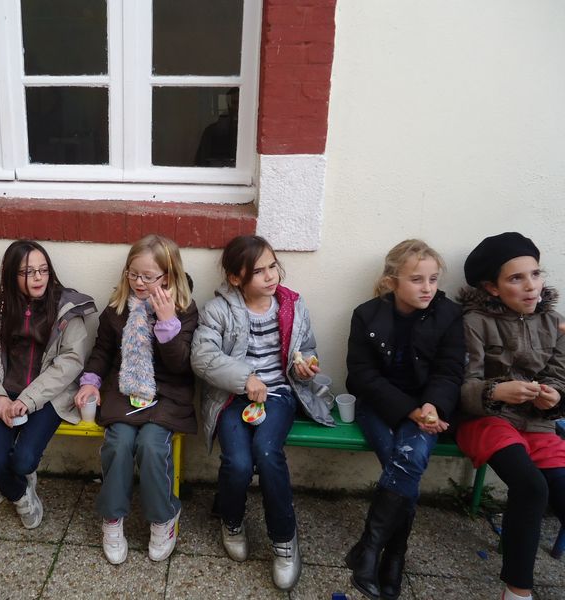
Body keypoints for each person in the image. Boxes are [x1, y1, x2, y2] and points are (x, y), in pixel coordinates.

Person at [191, 235, 333, 590]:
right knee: (237, 462)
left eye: (273, 266)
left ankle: (284, 540)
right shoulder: (218, 310)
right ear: (236, 278)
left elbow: (307, 349)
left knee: (267, 453)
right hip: (232, 398)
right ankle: (231, 521)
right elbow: (202, 357)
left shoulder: (292, 305)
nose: (270, 276)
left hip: (279, 395)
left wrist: (305, 366)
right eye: (258, 271)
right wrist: (245, 379)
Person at [343, 239, 465, 600]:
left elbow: (450, 371)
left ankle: (371, 549)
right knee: (405, 463)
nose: (427, 288)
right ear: (392, 281)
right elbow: (361, 376)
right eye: (416, 279)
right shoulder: (367, 315)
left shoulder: (449, 315)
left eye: (433, 279)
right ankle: (393, 556)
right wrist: (410, 410)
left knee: (407, 460)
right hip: (378, 406)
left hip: (427, 411)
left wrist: (431, 407)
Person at [74, 234, 198, 564]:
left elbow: (181, 364)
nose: (139, 282)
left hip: (167, 393)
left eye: (148, 276)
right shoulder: (117, 308)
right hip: (124, 391)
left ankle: (163, 518)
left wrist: (167, 322)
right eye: (133, 274)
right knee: (119, 443)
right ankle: (113, 519)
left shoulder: (184, 310)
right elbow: (102, 352)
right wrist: (91, 382)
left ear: (168, 277)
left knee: (152, 446)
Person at [0, 240, 96, 529]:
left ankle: (16, 476)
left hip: (49, 395)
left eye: (43, 270)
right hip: (5, 393)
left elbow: (70, 362)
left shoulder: (66, 309)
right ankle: (20, 493)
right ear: (11, 274)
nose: (38, 277)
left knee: (23, 460)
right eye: (27, 272)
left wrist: (28, 400)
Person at [457, 232, 565, 600]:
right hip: (486, 421)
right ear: (492, 287)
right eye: (516, 278)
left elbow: (558, 376)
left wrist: (554, 397)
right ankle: (518, 592)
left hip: (538, 425)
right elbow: (460, 383)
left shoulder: (554, 323)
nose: (531, 286)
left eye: (535, 274)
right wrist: (494, 392)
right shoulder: (474, 322)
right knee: (531, 486)